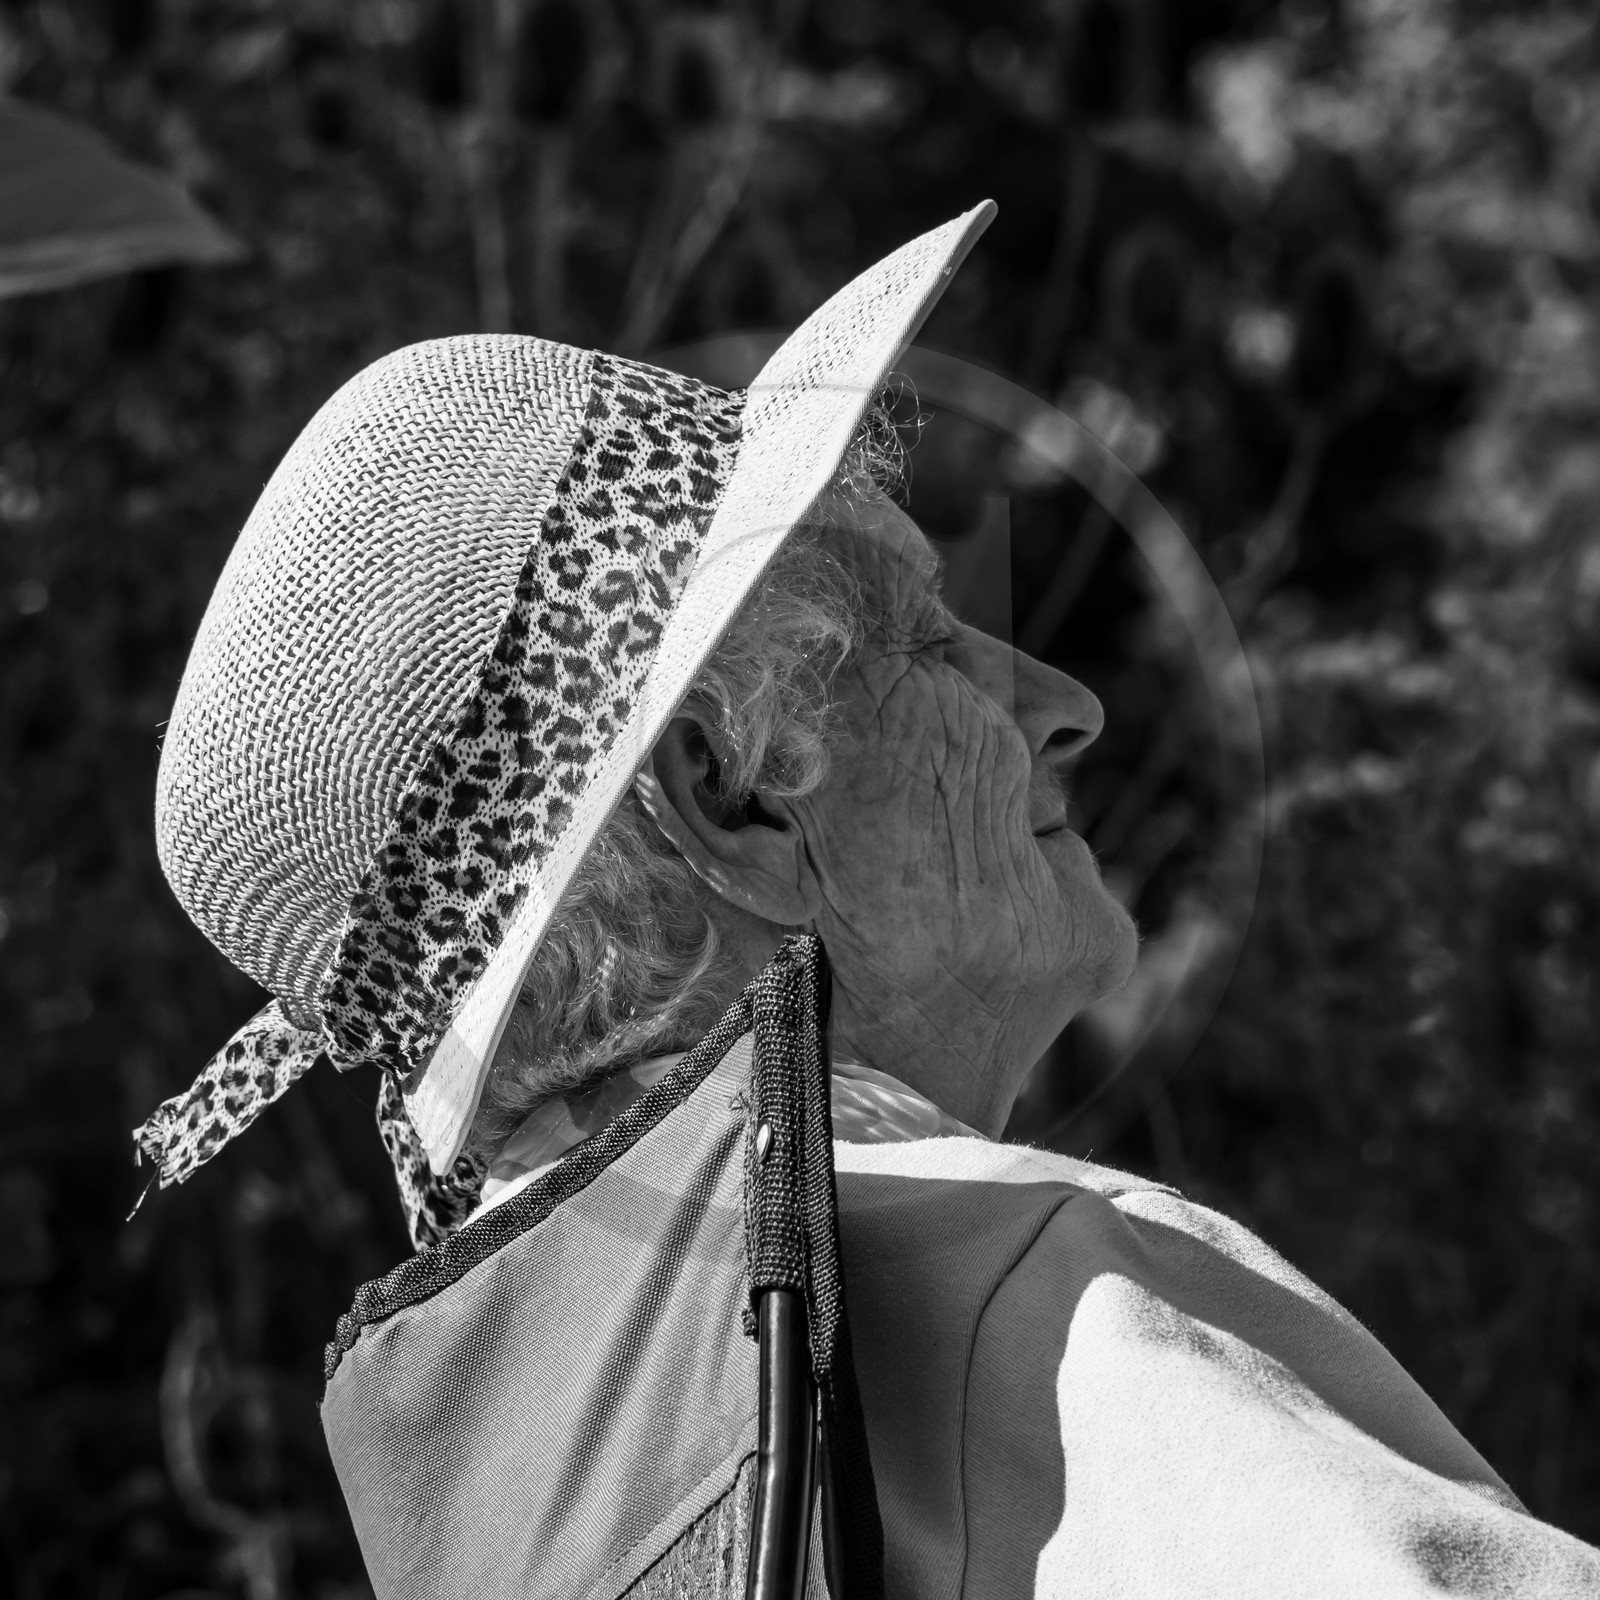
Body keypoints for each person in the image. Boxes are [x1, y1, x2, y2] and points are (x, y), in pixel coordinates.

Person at [136, 205, 1600, 1598]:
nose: (1066, 703)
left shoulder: (528, 1474)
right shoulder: (1041, 1308)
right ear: (732, 797)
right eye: (922, 636)